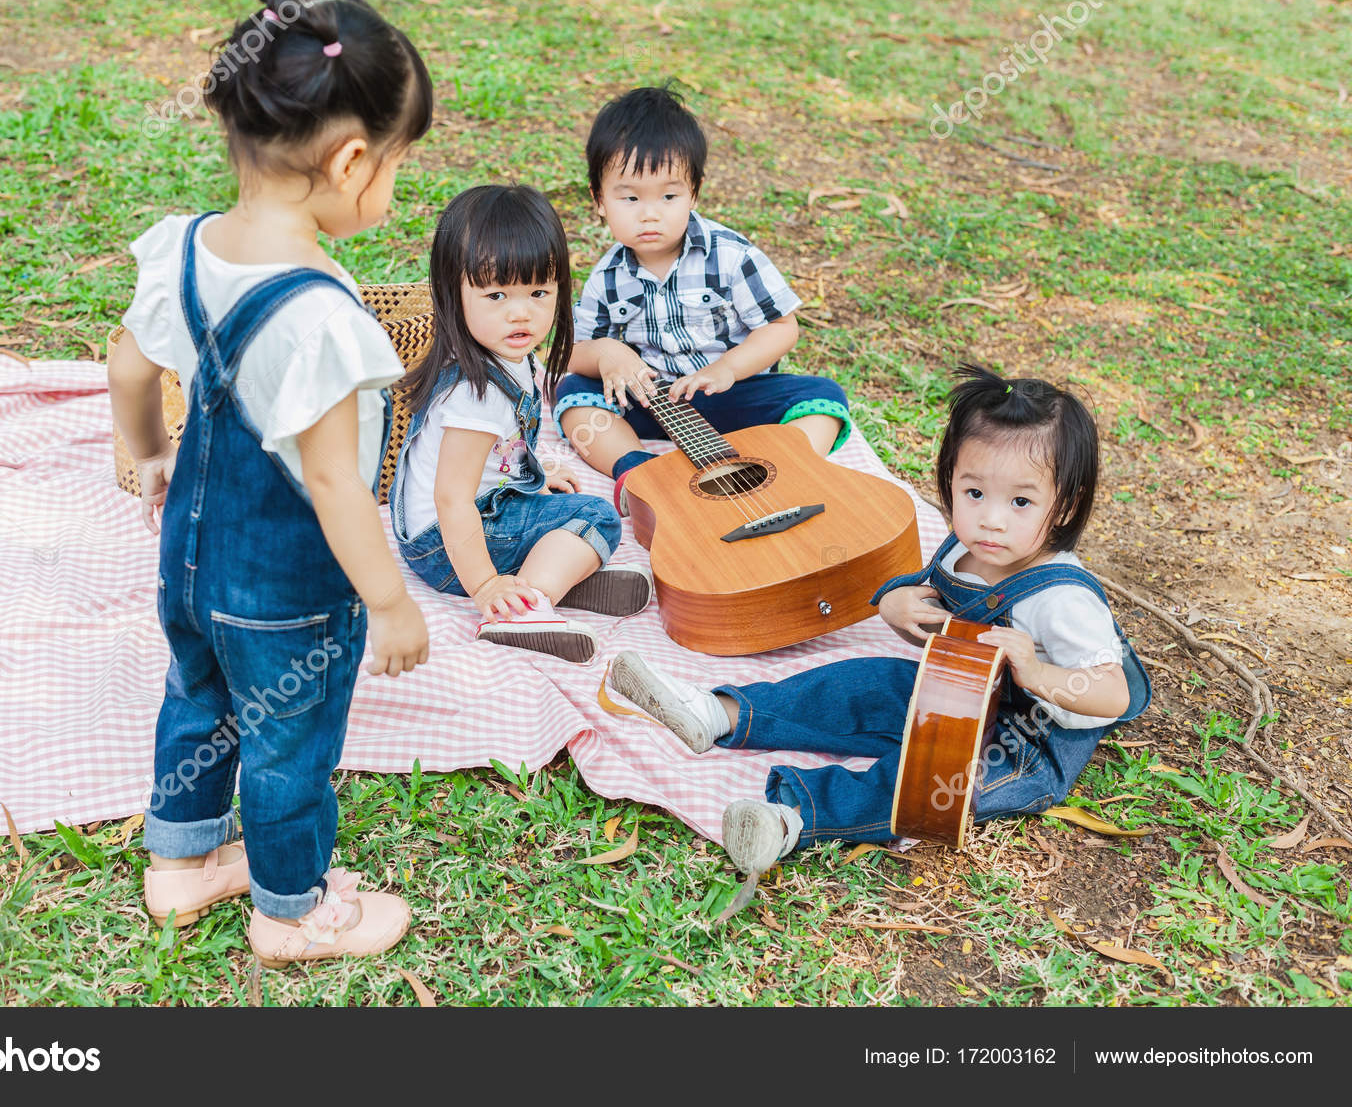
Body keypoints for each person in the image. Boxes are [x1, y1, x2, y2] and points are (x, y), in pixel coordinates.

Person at [108, 0, 433, 963]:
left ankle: (182, 863)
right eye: (394, 168)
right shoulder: (324, 318)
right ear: (346, 160)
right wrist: (389, 602)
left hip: (190, 560)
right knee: (288, 743)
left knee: (197, 698)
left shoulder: (186, 250)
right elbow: (335, 484)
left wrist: (148, 452)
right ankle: (291, 909)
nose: (390, 186)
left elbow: (129, 362)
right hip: (286, 591)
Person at [606, 364, 1153, 875]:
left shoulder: (1062, 600)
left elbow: (1112, 695)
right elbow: (930, 605)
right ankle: (720, 713)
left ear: (1063, 505)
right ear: (950, 481)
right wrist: (895, 603)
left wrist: (1035, 672)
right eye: (975, 492)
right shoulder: (970, 550)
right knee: (859, 683)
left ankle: (792, 819)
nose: (989, 518)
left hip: (1026, 741)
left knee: (926, 785)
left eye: (1020, 503)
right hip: (955, 694)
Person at [553, 84, 854, 515]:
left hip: (735, 396)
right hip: (652, 401)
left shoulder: (731, 256)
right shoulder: (607, 277)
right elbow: (573, 353)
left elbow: (782, 327)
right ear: (599, 201)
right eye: (630, 197)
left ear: (694, 192)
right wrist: (607, 354)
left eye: (669, 195)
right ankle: (638, 474)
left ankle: (787, 472)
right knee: (574, 396)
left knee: (824, 397)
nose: (650, 213)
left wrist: (728, 369)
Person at [391, 185, 653, 664]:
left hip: (464, 526)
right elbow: (451, 498)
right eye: (496, 294)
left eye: (538, 292)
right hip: (453, 546)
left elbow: (497, 452)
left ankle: (544, 582)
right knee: (596, 517)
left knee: (571, 508)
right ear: (454, 292)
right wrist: (485, 584)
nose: (522, 312)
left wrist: (531, 474)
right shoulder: (477, 391)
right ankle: (521, 607)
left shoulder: (500, 350)